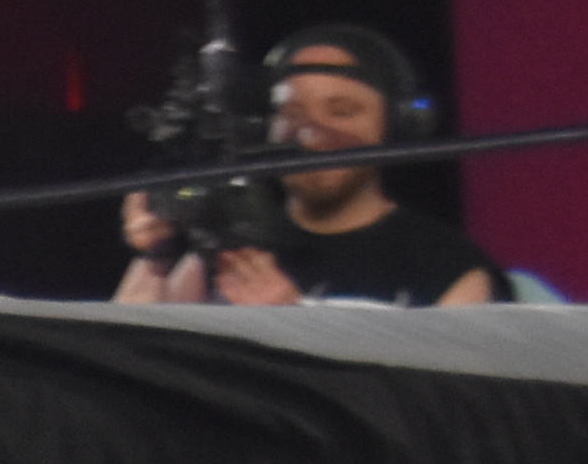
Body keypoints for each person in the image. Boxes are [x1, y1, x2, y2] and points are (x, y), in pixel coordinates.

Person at [116, 25, 504, 308]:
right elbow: (125, 361)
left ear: (395, 127)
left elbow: (441, 395)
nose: (311, 134)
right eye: (292, 113)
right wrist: (157, 258)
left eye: (343, 111)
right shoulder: (230, 252)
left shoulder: (450, 269)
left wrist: (295, 323)